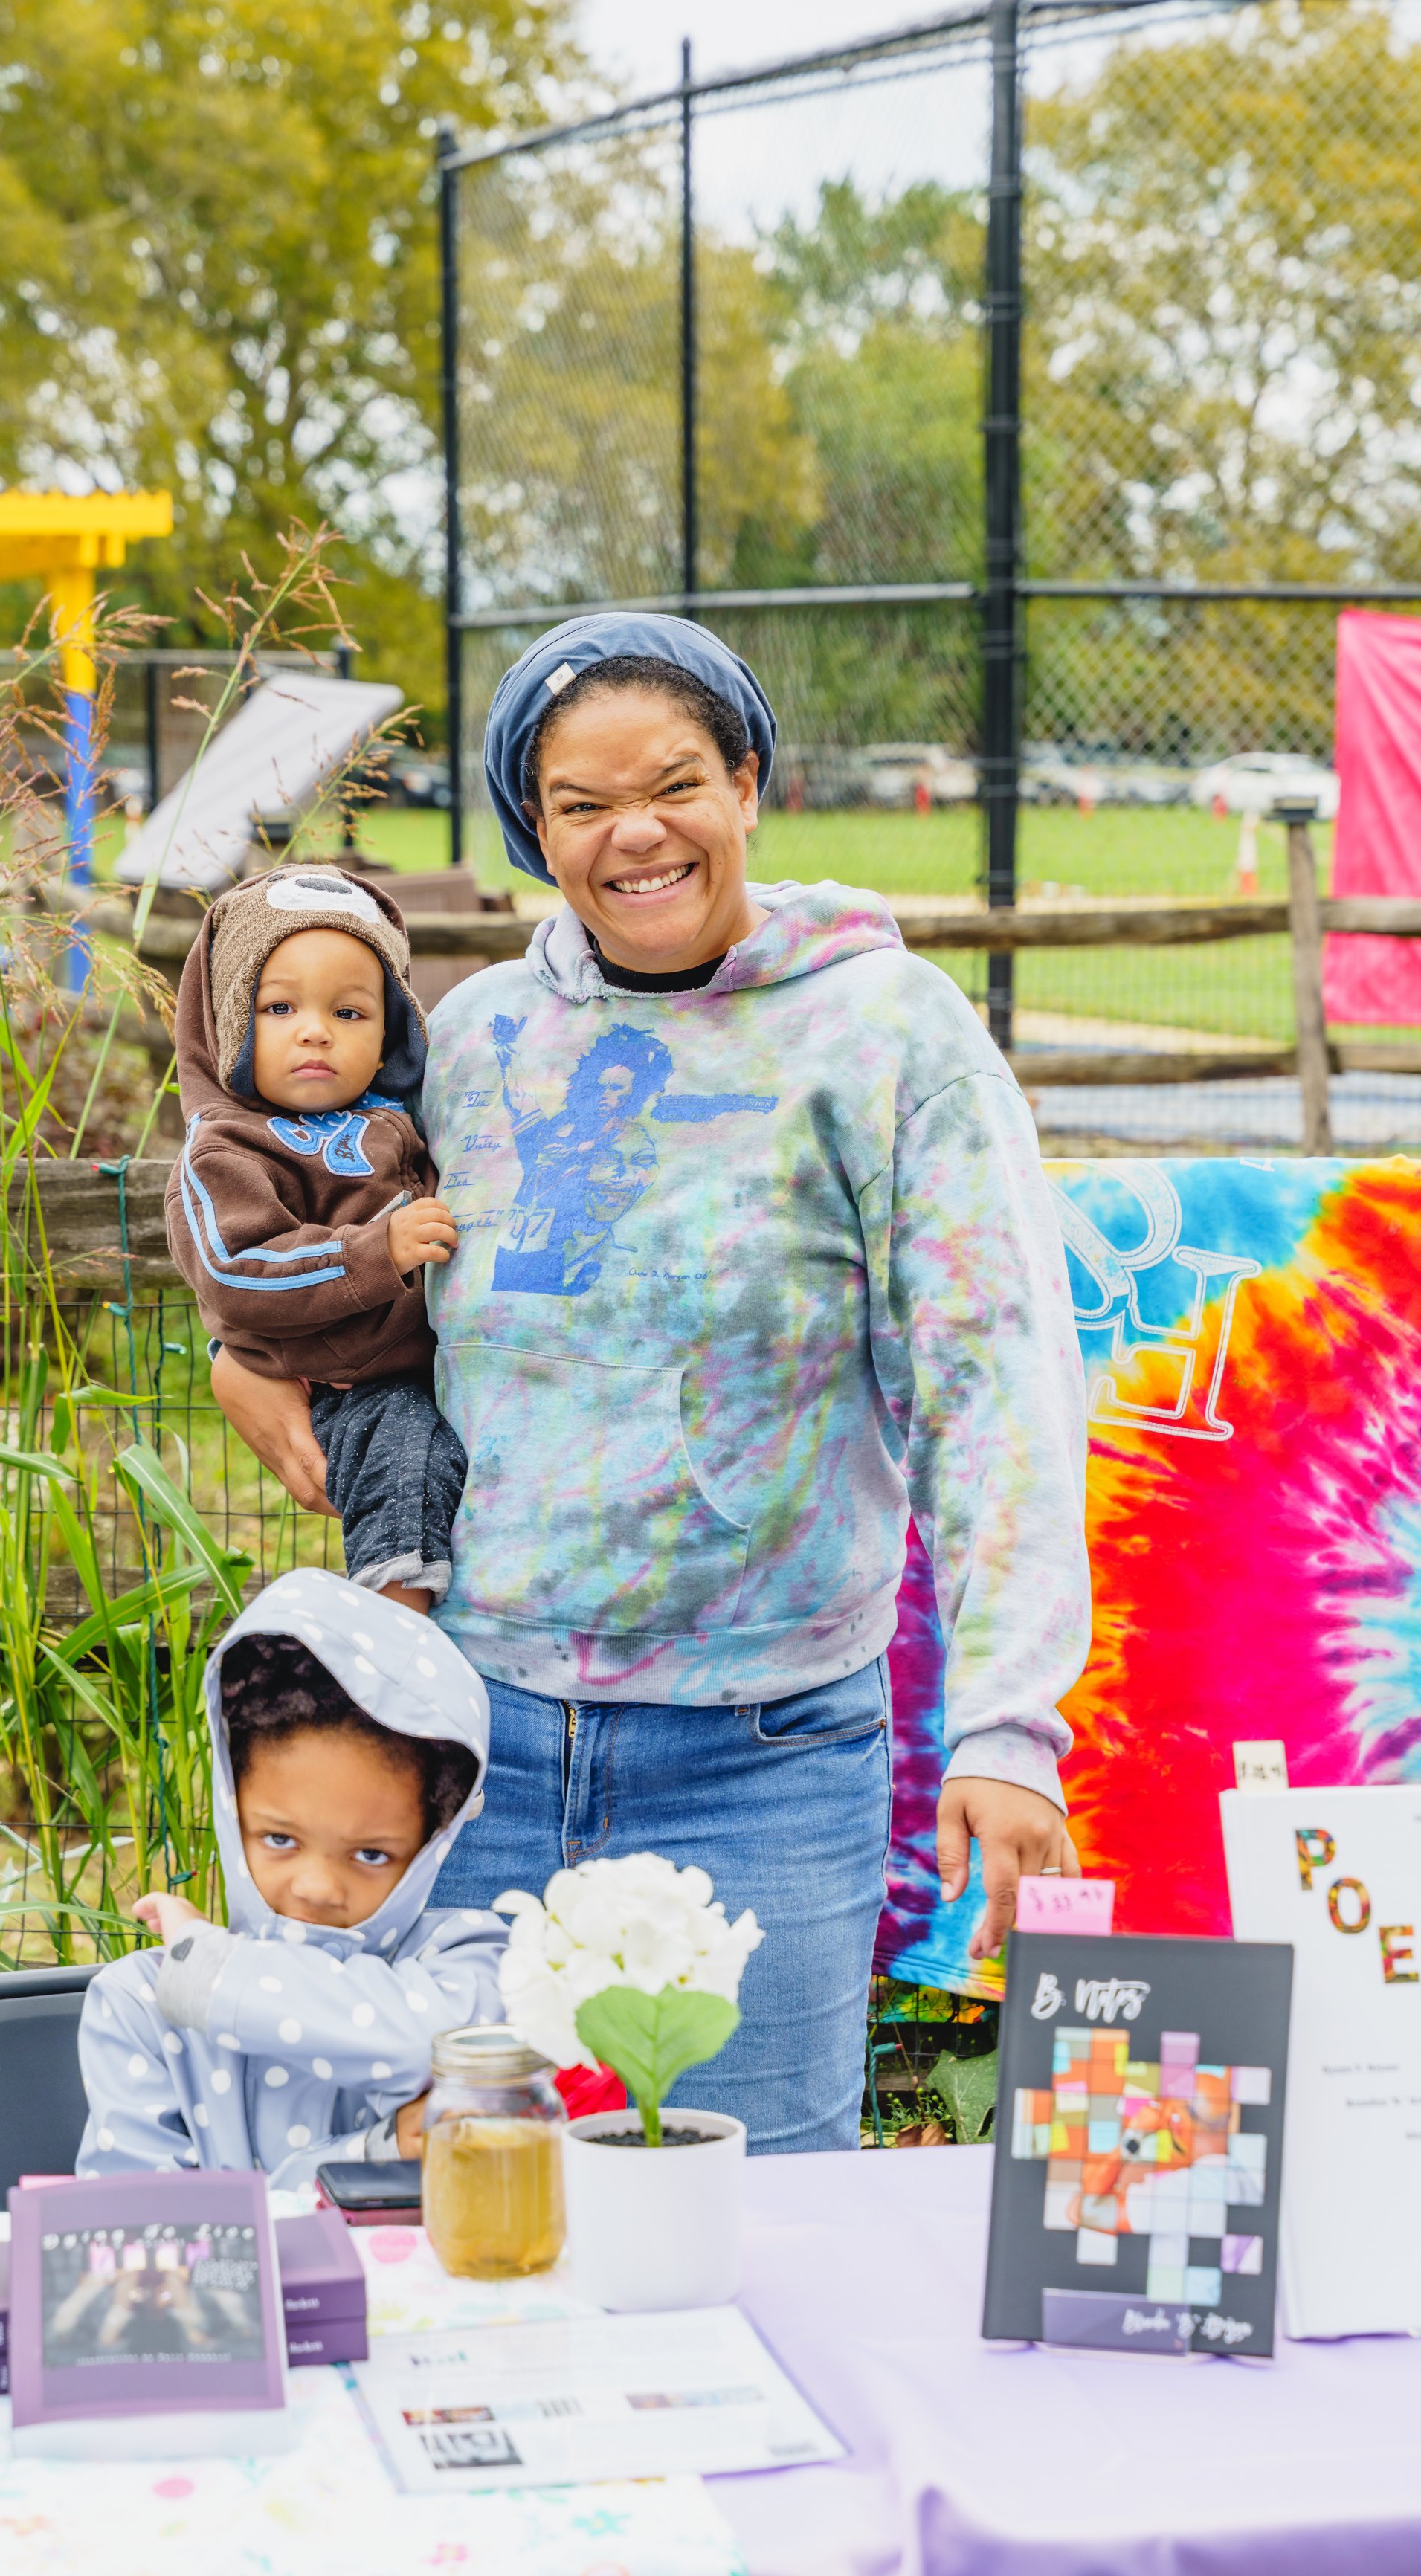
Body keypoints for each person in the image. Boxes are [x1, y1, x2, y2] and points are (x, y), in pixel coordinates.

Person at [210, 614, 1090, 2155]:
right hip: (460, 1752)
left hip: (757, 1763)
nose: (635, 834)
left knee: (764, 2232)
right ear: (531, 829)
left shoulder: (883, 1039)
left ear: (747, 780)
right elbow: (309, 1198)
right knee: (440, 2209)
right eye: (578, 803)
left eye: (674, 782)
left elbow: (990, 1389)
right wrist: (243, 1351)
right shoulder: (474, 1041)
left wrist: (1006, 1727)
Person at [77, 1567, 506, 2187]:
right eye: (280, 1840)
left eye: (371, 1855)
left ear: (430, 1844)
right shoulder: (142, 2003)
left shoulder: (469, 1961)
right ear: (232, 1807)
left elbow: (431, 2049)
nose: (316, 1887)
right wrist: (370, 2156)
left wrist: (217, 1978)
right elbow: (139, 2223)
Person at [166, 865, 463, 1610]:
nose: (314, 1030)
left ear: (393, 1032)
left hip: (436, 1361)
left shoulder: (402, 1120)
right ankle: (397, 1629)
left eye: (351, 1014)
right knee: (404, 1462)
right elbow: (236, 1272)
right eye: (278, 1006)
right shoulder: (225, 1150)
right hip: (342, 1381)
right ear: (230, 1020)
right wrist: (376, 1251)